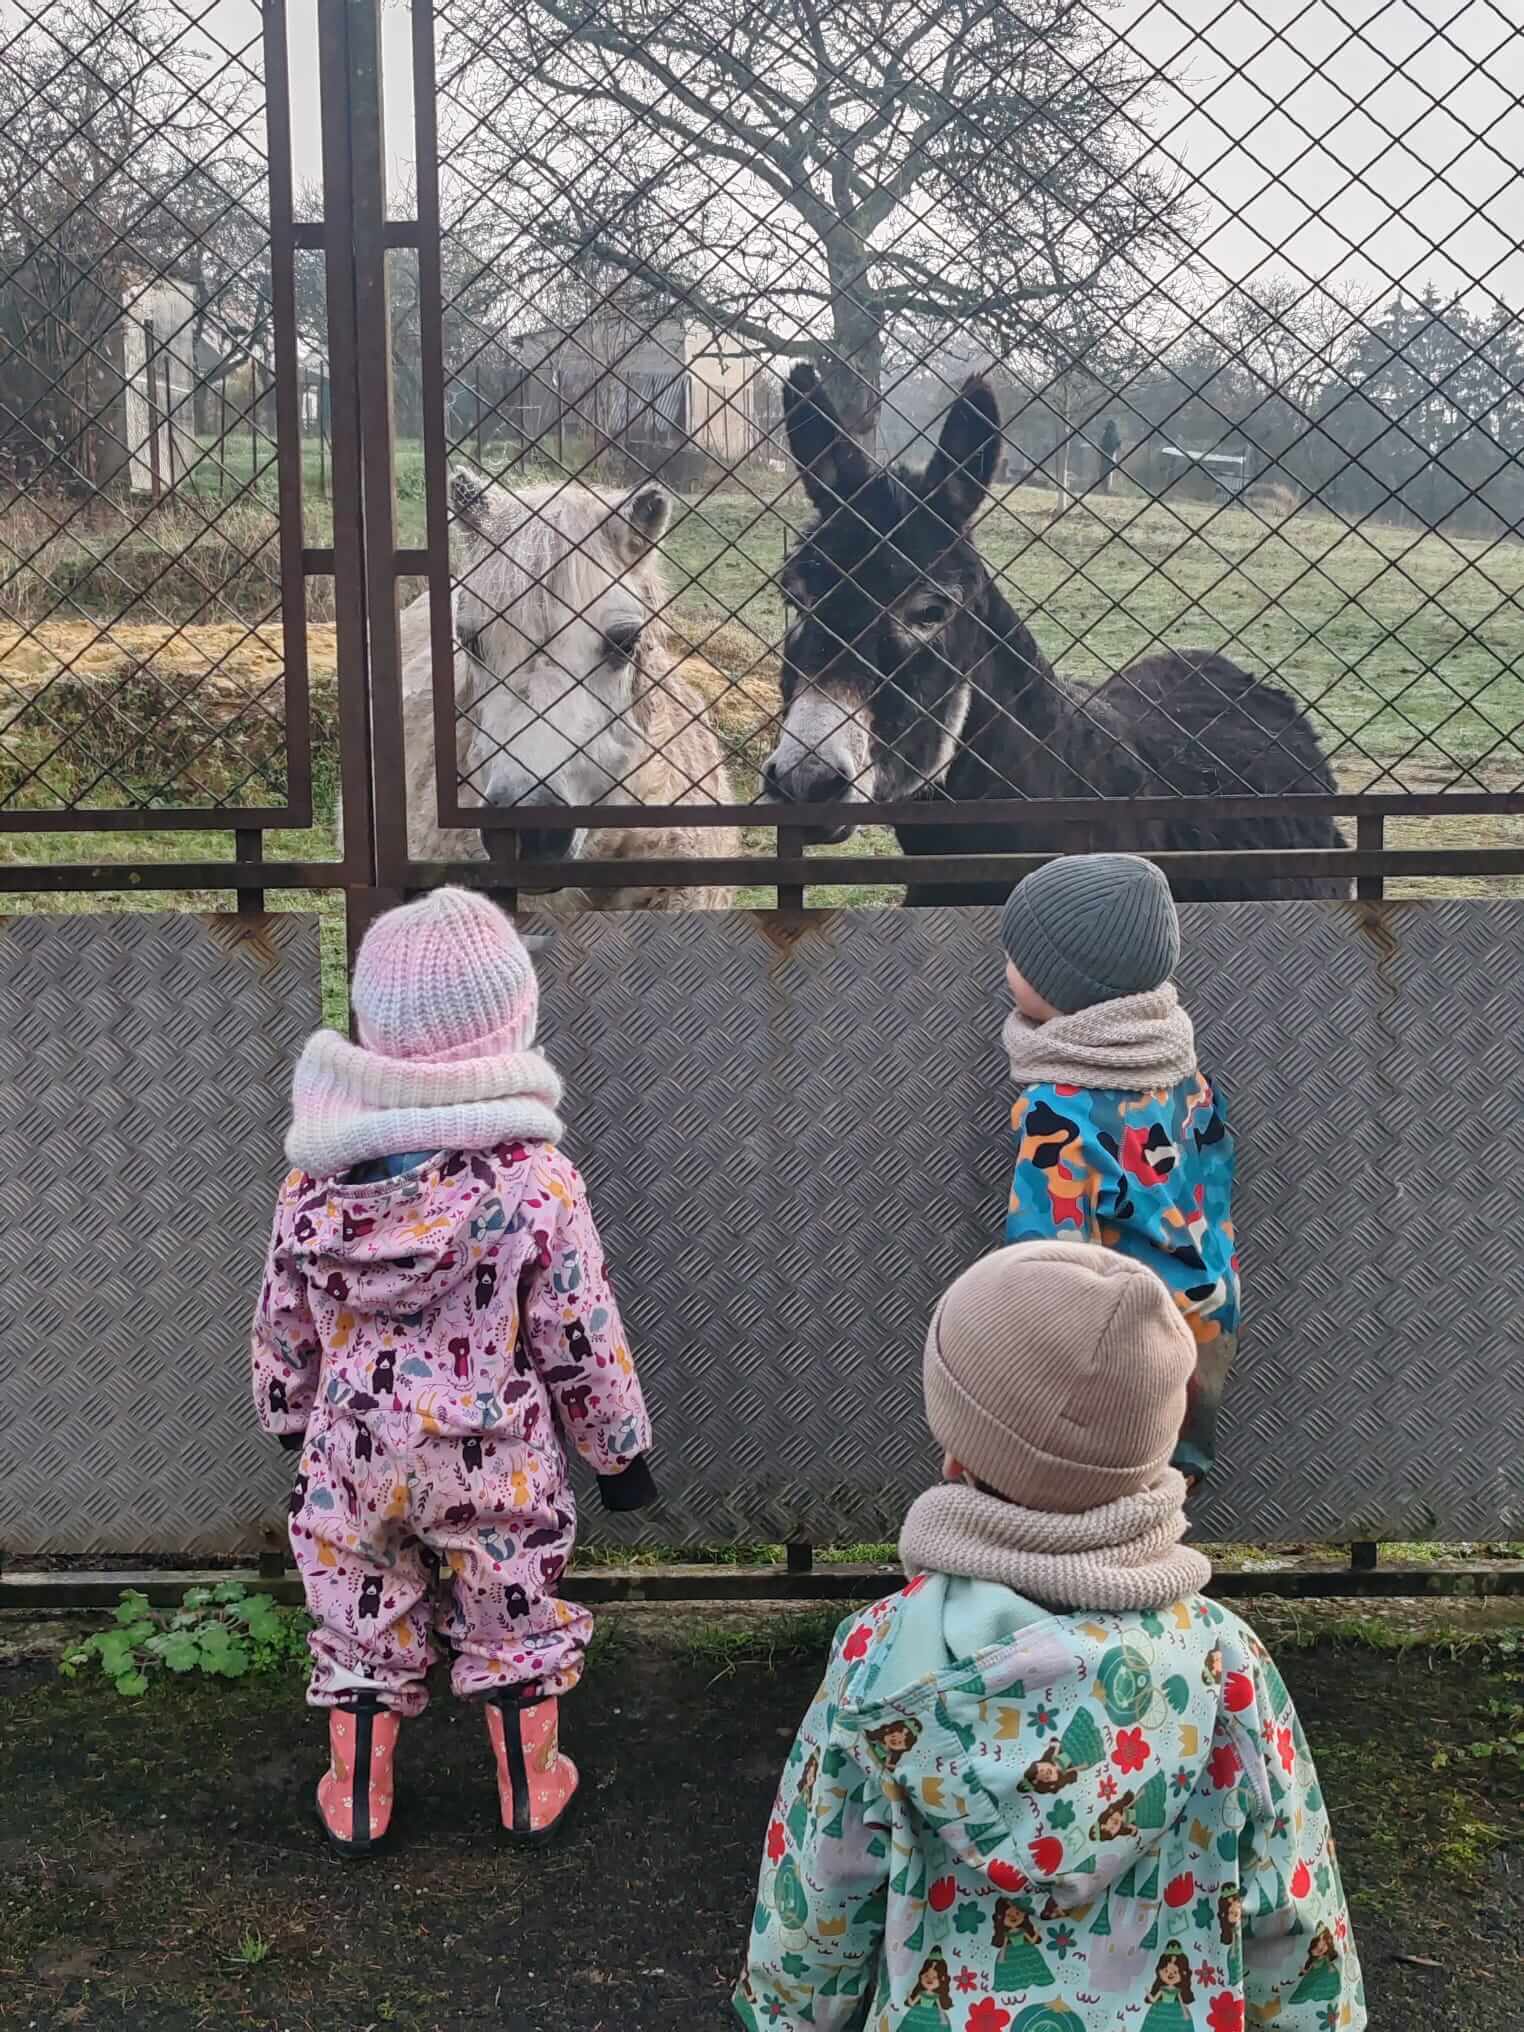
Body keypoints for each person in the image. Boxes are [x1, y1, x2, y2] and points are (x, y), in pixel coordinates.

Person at [734, 1241, 1363, 2032]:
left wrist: (784, 2018)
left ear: (957, 1442)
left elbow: (817, 1904)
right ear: (1158, 1445)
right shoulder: (1223, 1659)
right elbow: (1290, 1902)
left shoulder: (881, 1659)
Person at [251, 887, 654, 1856]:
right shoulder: (534, 1179)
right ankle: (530, 1786)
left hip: (350, 1449)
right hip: (491, 1456)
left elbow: (282, 1316)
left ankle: (356, 1796)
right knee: (510, 1603)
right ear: (513, 1027)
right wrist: (619, 1453)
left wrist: (287, 1414)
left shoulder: (314, 1179)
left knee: (356, 1613)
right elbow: (581, 1326)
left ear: (375, 1030)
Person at [1000, 851, 1238, 1487]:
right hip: (1202, 1314)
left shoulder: (1062, 1107)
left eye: (1018, 957)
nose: (1006, 968)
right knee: (1165, 1491)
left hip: (1112, 1349)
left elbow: (1046, 1251)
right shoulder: (1178, 1072)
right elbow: (1214, 1179)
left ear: (1065, 982)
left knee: (1094, 1493)